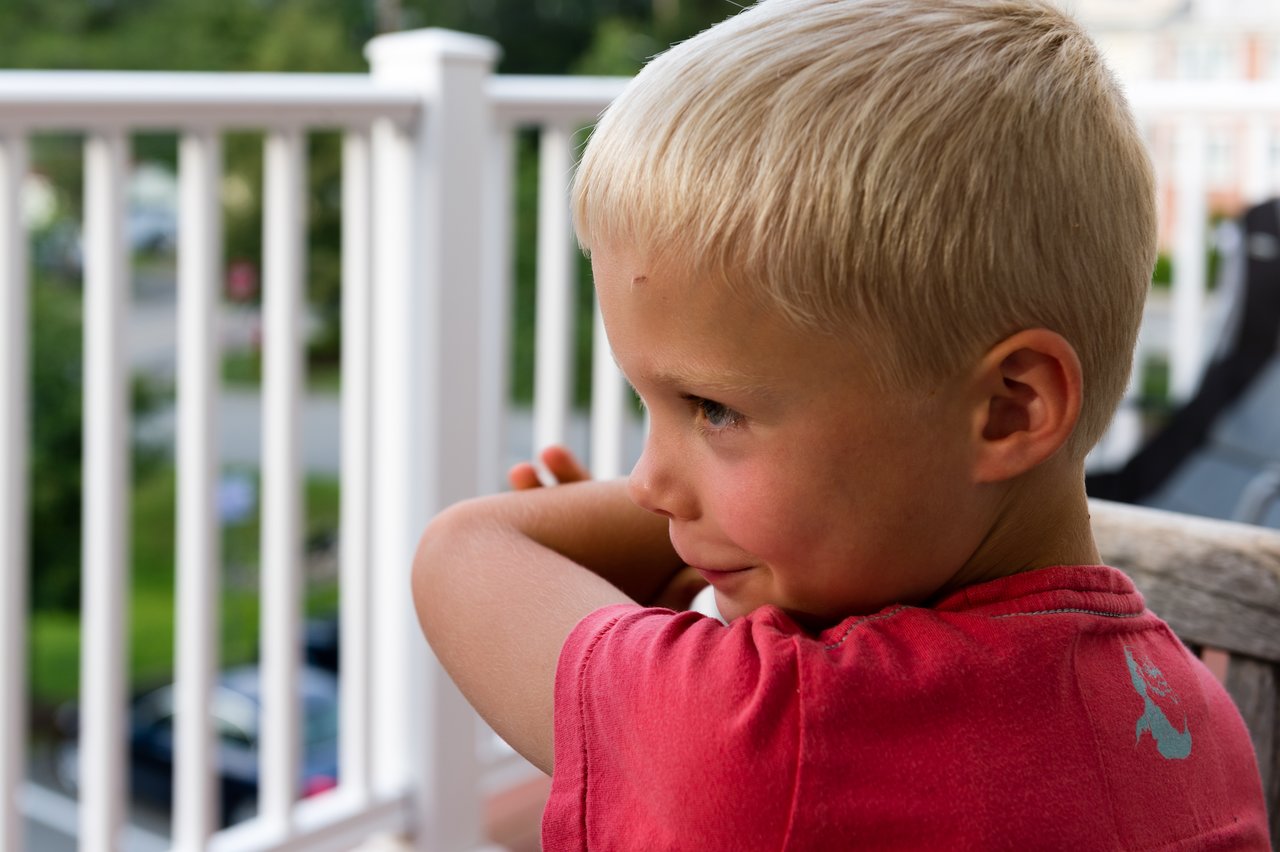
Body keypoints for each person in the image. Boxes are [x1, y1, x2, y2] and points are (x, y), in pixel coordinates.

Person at [412, 0, 1271, 847]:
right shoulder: (1190, 711)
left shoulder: (779, 738)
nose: (648, 485)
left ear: (1010, 408)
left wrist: (654, 593)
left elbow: (462, 552)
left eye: (713, 409)